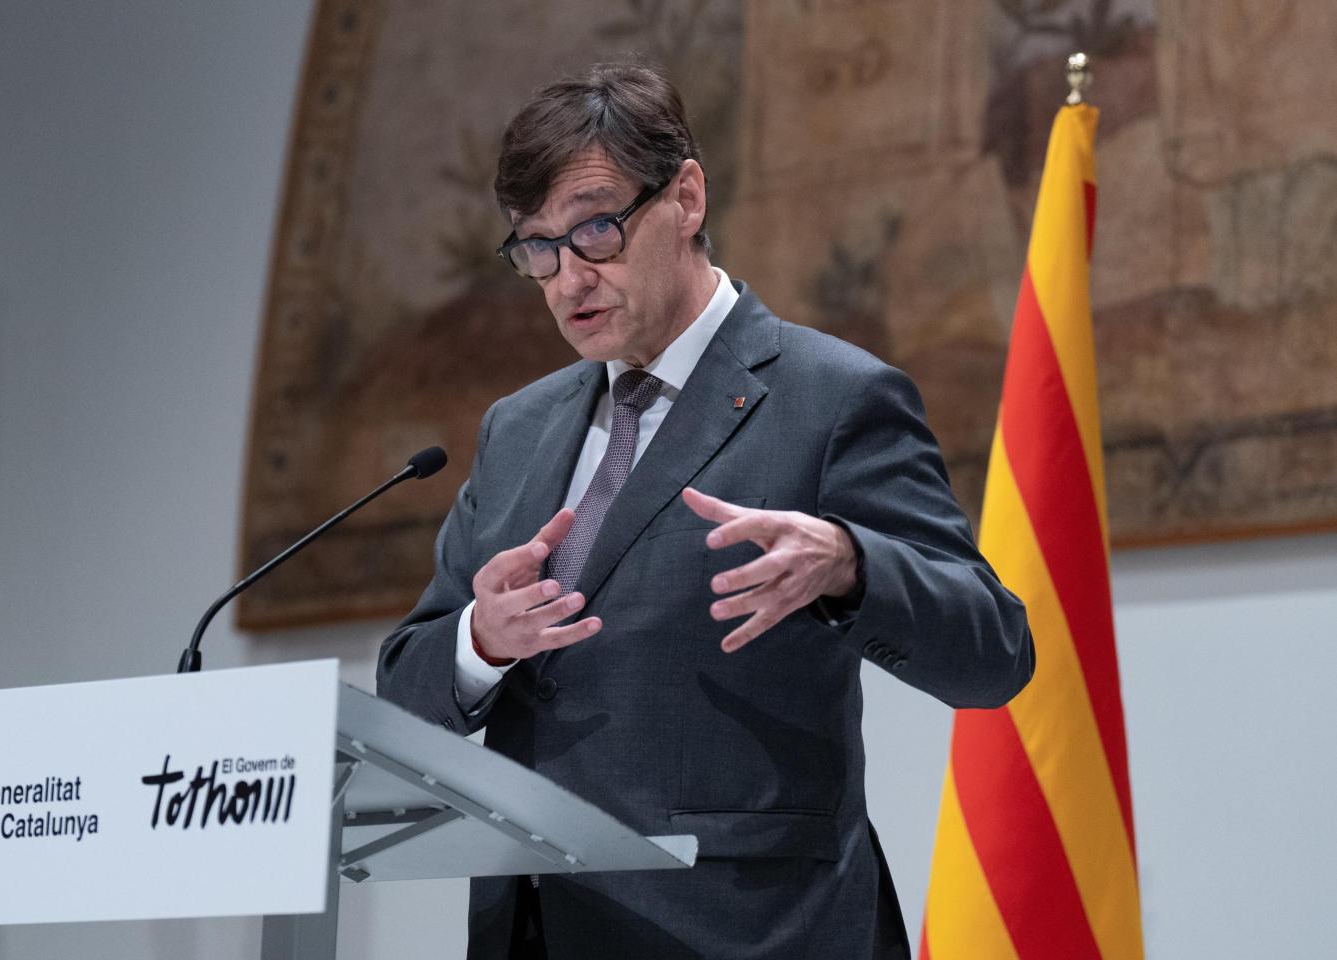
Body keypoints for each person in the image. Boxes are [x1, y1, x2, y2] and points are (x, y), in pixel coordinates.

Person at [376, 61, 1033, 960]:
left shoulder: (832, 397)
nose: (569, 281)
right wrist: (480, 643)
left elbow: (993, 653)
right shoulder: (518, 429)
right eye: (537, 249)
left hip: (751, 932)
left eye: (597, 230)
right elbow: (406, 681)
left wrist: (849, 562)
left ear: (686, 196)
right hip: (536, 934)